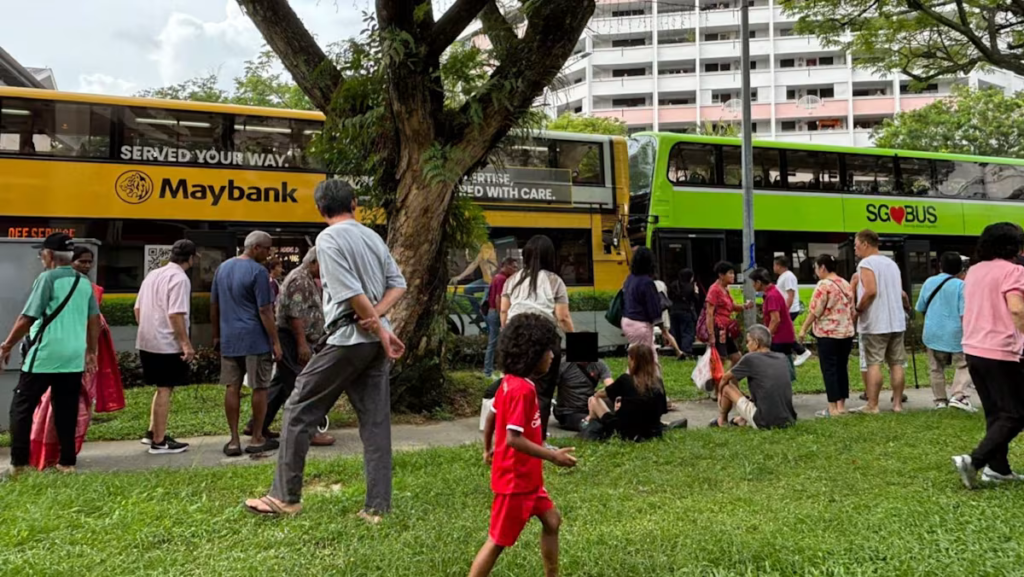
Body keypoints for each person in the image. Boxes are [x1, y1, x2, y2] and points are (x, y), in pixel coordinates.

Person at [244, 180, 406, 522]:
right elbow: (398, 284)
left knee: (299, 407)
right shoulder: (373, 237)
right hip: (376, 341)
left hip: (349, 338)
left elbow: (349, 291)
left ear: (320, 210)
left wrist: (373, 322)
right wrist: (379, 323)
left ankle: (284, 497)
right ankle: (378, 508)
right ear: (355, 203)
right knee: (375, 425)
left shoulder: (328, 238)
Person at [472, 313, 577, 577]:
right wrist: (553, 456)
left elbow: (492, 415)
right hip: (516, 483)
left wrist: (487, 448)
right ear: (532, 354)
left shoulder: (507, 382)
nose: (552, 357)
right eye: (548, 351)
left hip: (527, 480)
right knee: (497, 542)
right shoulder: (523, 390)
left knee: (552, 520)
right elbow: (513, 439)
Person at [1, 233, 100, 475]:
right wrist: (91, 351)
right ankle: (67, 463)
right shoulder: (84, 282)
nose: (41, 257)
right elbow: (94, 320)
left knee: (21, 407)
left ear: (50, 255)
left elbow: (27, 317)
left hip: (44, 354)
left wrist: (6, 345)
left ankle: (18, 464)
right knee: (66, 409)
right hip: (73, 357)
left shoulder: (47, 279)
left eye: (42, 252)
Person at [28, 246, 124, 470]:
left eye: (89, 262)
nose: (86, 266)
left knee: (77, 409)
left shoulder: (89, 289)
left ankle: (65, 455)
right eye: (81, 261)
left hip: (80, 358)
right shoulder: (51, 284)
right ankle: (46, 454)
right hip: (57, 357)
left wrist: (92, 351)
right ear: (70, 261)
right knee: (49, 407)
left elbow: (94, 323)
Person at [952, 223, 1024, 488]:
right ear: (1013, 246)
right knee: (1016, 413)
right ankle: (975, 460)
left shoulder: (974, 272)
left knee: (996, 412)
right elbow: (1016, 310)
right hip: (1001, 351)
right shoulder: (1014, 272)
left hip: (973, 349)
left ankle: (998, 469)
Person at [243, 248, 335, 446]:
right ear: (314, 262)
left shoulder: (305, 278)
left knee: (280, 386)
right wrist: (302, 344)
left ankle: (257, 424)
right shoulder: (300, 280)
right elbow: (295, 315)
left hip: (294, 339)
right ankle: (308, 431)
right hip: (293, 340)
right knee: (302, 385)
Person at [211, 230, 283, 456]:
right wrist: (276, 341)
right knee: (259, 386)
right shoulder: (258, 272)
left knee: (232, 387)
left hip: (230, 338)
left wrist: (216, 335)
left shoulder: (222, 268)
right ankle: (257, 437)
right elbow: (265, 310)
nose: (269, 253)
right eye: (267, 248)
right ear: (255, 248)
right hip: (255, 338)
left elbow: (214, 305)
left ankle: (233, 441)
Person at [501, 235, 573, 442]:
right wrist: (579, 342)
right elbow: (562, 317)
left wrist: (509, 337)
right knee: (542, 392)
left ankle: (512, 431)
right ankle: (537, 438)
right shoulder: (554, 281)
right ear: (550, 256)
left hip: (514, 335)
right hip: (544, 337)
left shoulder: (511, 281)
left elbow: (504, 313)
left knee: (514, 386)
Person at [135, 240, 198, 454]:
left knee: (162, 387)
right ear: (191, 258)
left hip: (147, 340)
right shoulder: (180, 278)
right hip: (166, 344)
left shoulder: (153, 275)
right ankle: (159, 442)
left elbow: (137, 309)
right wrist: (185, 344)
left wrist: (148, 328)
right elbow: (176, 313)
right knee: (164, 389)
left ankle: (152, 432)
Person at [851, 229, 907, 414]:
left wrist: (858, 310)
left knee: (874, 363)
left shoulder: (866, 264)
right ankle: (897, 405)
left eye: (856, 245)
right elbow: (900, 292)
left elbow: (870, 291)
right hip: (896, 321)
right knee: (896, 363)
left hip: (876, 322)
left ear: (866, 244)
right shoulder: (891, 264)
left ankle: (872, 404)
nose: (855, 249)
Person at [915, 252, 975, 411]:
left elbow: (920, 307)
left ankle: (940, 401)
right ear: (960, 268)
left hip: (932, 333)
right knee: (964, 364)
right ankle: (958, 395)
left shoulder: (929, 282)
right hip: (955, 334)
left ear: (940, 266)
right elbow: (964, 313)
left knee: (936, 367)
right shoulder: (961, 286)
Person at [798, 255, 855, 417]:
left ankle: (832, 408)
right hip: (846, 333)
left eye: (816, 268)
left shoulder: (823, 285)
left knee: (829, 369)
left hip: (827, 334)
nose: (815, 272)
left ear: (822, 267)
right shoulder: (845, 283)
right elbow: (851, 309)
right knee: (841, 368)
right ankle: (841, 406)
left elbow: (815, 311)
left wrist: (803, 329)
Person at [713, 325, 797, 429]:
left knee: (727, 388)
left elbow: (725, 378)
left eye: (748, 341)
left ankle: (722, 421)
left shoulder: (751, 358)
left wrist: (720, 395)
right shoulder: (782, 357)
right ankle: (740, 420)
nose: (747, 345)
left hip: (764, 421)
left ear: (756, 343)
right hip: (788, 419)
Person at [581, 344, 669, 442]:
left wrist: (597, 393)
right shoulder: (658, 382)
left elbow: (603, 393)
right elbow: (663, 409)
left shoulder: (625, 380)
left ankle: (591, 424)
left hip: (626, 431)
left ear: (633, 361)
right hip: (652, 430)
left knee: (594, 400)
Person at [749, 268, 797, 381]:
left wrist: (766, 337)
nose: (752, 285)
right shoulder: (773, 291)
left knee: (779, 367)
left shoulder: (771, 295)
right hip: (784, 336)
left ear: (759, 282)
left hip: (780, 337)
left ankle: (782, 391)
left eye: (753, 282)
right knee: (785, 364)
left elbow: (775, 320)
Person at [705, 261, 754, 371]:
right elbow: (709, 313)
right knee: (720, 359)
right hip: (719, 328)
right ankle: (718, 384)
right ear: (721, 275)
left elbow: (732, 306)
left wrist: (744, 306)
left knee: (736, 357)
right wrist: (711, 334)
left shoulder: (726, 289)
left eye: (733, 273)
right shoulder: (714, 290)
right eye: (730, 273)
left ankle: (727, 381)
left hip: (726, 329)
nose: (733, 276)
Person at [621, 247, 664, 359]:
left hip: (627, 320)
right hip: (640, 324)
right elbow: (653, 308)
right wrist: (662, 328)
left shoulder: (630, 279)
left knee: (644, 355)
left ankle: (653, 375)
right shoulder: (647, 283)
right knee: (644, 359)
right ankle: (643, 376)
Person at [553, 359, 614, 432]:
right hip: (569, 412)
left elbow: (611, 387)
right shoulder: (563, 365)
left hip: (589, 406)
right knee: (594, 426)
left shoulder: (598, 364)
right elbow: (548, 389)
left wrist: (600, 394)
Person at [774, 256, 813, 366]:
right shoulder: (783, 276)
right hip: (787, 309)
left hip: (790, 310)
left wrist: (784, 311)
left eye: (774, 265)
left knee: (783, 332)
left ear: (778, 265)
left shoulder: (788, 277)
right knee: (783, 333)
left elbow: (790, 295)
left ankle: (802, 351)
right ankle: (790, 354)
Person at [485, 258, 518, 378]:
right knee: (495, 343)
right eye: (514, 267)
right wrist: (502, 316)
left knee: (494, 342)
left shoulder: (496, 277)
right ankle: (488, 372)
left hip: (491, 312)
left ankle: (491, 370)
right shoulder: (502, 279)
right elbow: (499, 298)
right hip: (496, 313)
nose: (516, 270)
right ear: (507, 266)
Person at [668, 268, 699, 358]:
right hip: (686, 311)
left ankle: (677, 351)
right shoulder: (690, 286)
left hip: (674, 311)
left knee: (676, 331)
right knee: (687, 332)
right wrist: (696, 292)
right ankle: (686, 351)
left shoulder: (674, 285)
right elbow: (696, 300)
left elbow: (670, 296)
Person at [654, 277, 685, 358]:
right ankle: (678, 351)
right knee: (666, 332)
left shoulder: (649, 284)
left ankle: (655, 352)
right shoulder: (662, 283)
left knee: (650, 331)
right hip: (664, 310)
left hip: (654, 310)